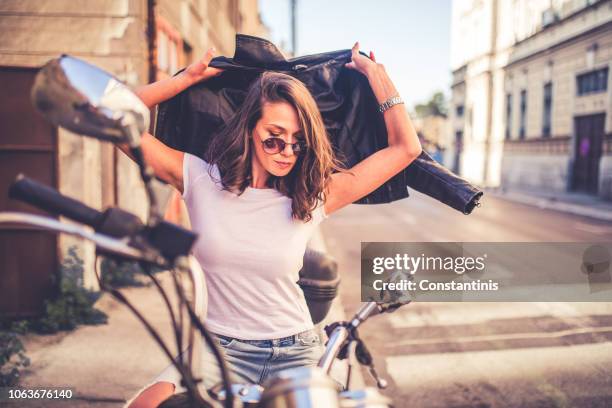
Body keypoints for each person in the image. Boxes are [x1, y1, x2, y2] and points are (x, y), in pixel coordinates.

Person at [126, 42, 422, 408]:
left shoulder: (313, 194)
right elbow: (118, 118)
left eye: (298, 143)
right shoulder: (199, 178)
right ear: (249, 128)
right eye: (274, 138)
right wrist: (189, 77)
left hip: (296, 351)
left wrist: (376, 75)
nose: (286, 152)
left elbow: (406, 148)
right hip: (218, 348)